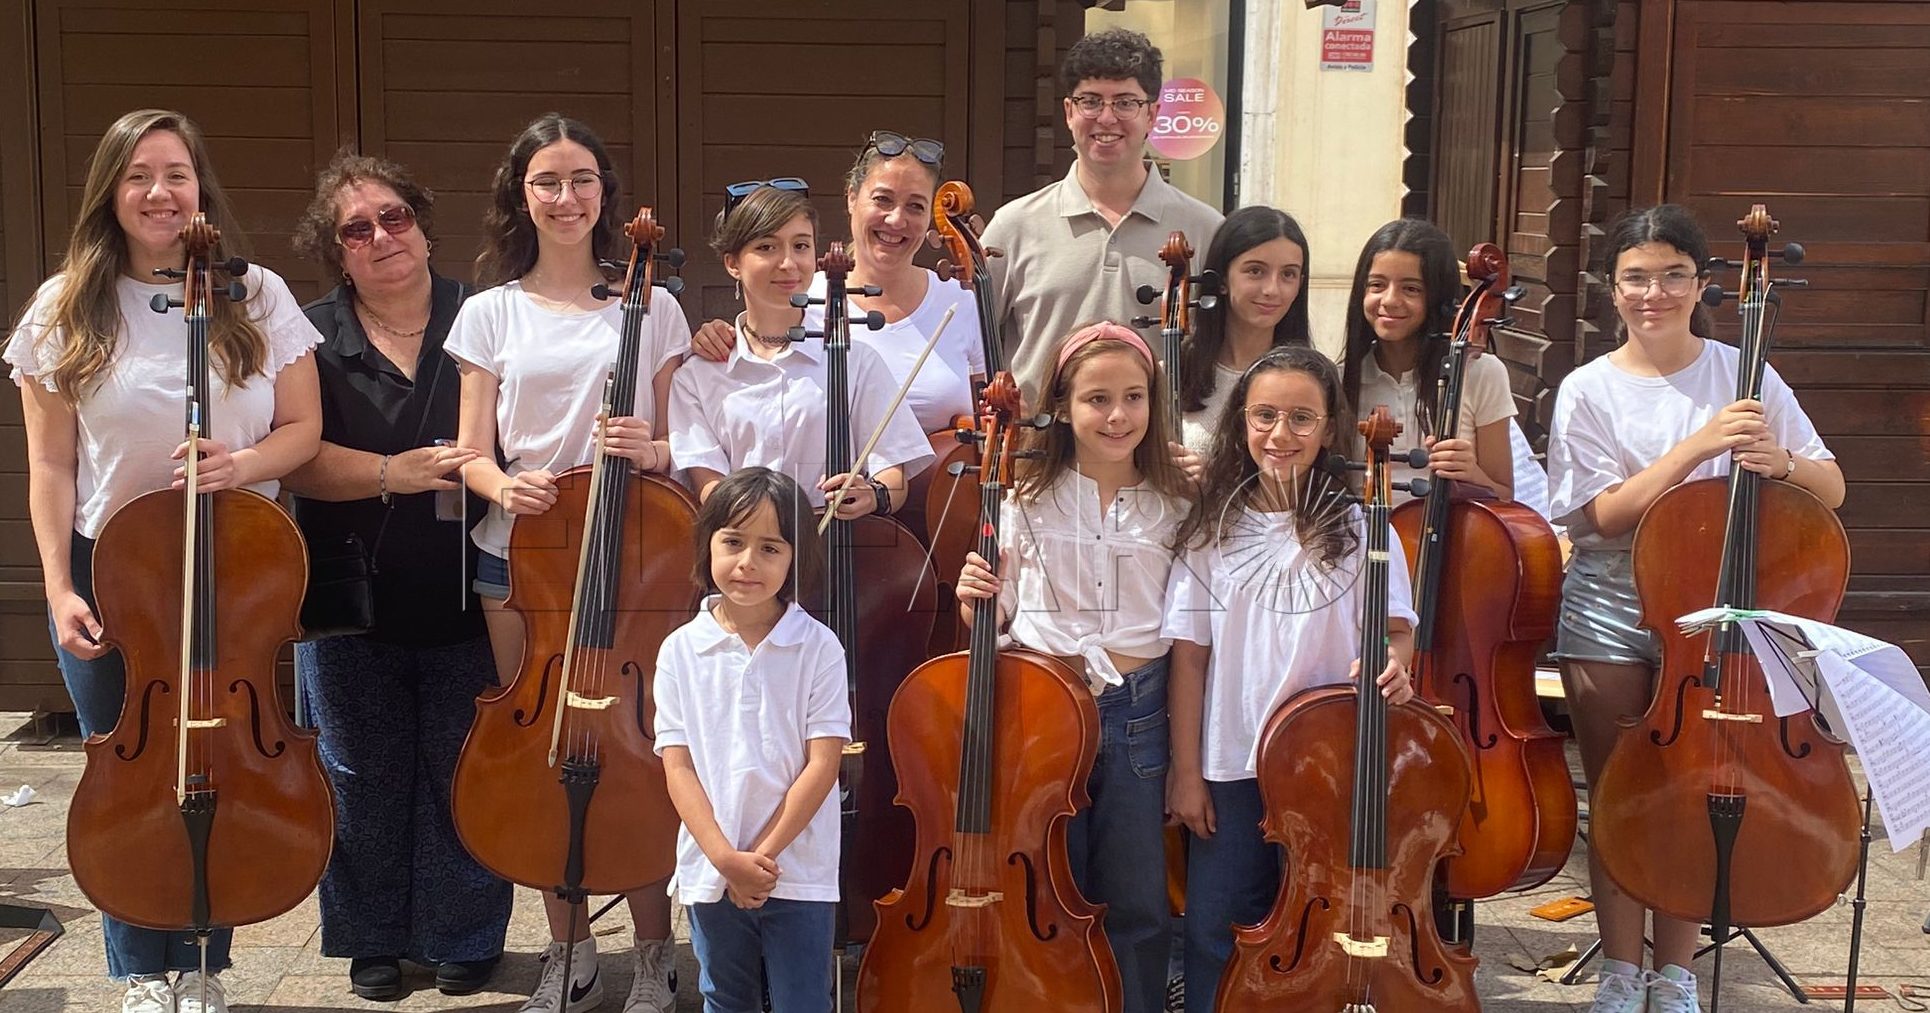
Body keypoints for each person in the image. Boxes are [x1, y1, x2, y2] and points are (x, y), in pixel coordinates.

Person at [6, 108, 323, 1013]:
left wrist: (242, 464)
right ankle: (141, 970)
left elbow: (303, 428)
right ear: (110, 191)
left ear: (200, 187)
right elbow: (51, 465)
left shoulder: (254, 293)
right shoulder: (66, 303)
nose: (159, 192)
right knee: (130, 775)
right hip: (113, 570)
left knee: (222, 758)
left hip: (234, 569)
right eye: (138, 175)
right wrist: (57, 587)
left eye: (176, 173)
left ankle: (204, 962)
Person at [1545, 204, 1844, 1013]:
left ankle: (1674, 973)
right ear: (1613, 289)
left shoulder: (1743, 372)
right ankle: (1619, 970)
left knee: (1688, 786)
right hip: (1611, 602)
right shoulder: (1588, 388)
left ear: (1701, 283)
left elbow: (1831, 485)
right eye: (1637, 277)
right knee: (1620, 794)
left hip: (1715, 612)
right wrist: (1697, 448)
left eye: (1673, 274)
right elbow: (1600, 516)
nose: (1655, 292)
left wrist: (1781, 460)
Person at [445, 113, 689, 1013]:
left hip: (633, 559)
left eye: (582, 179)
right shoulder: (489, 312)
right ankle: (569, 948)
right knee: (545, 752)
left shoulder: (652, 304)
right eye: (547, 181)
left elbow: (684, 441)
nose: (566, 197)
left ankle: (656, 950)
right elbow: (470, 453)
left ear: (604, 193)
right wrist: (502, 485)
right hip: (523, 557)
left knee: (641, 751)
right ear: (522, 194)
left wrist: (651, 450)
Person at [281, 149, 509, 1001]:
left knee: (465, 766)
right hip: (349, 594)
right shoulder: (307, 335)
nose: (381, 237)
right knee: (358, 773)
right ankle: (371, 937)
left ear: (421, 223)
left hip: (468, 587)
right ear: (336, 252)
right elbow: (293, 454)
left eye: (394, 217)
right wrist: (392, 473)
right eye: (356, 229)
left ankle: (465, 935)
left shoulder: (482, 315)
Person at [1162, 344, 1418, 1012]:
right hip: (1232, 762)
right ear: (1241, 423)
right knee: (1218, 930)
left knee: (1321, 929)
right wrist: (1186, 772)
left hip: (1329, 766)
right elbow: (1190, 658)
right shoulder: (1210, 530)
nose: (1281, 433)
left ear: (1330, 429)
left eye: (1301, 418)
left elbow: (1396, 630)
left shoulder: (1362, 526)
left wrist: (1395, 661)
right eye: (1265, 415)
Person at [953, 321, 1188, 1013]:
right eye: (1097, 399)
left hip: (1141, 711)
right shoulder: (1024, 497)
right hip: (1046, 705)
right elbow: (996, 619)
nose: (1118, 416)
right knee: (1052, 889)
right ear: (1061, 405)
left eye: (1134, 397)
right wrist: (974, 602)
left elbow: (1190, 631)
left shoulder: (1177, 502)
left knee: (1138, 898)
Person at [654, 467, 849, 1013]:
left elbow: (823, 764)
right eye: (733, 542)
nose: (747, 562)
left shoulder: (818, 647)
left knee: (802, 1001)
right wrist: (725, 859)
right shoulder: (680, 650)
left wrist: (758, 859)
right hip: (711, 868)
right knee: (724, 997)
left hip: (797, 869)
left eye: (770, 548)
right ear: (707, 544)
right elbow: (678, 767)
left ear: (795, 559)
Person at [980, 28, 1224, 413]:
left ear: (1152, 114)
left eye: (1125, 103)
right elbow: (968, 347)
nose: (1107, 118)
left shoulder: (1205, 228)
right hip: (1038, 445)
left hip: (1156, 445)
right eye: (1091, 101)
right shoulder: (1013, 226)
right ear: (1069, 112)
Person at [689, 133, 983, 432]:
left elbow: (986, 409)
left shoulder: (960, 303)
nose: (896, 220)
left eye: (916, 206)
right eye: (883, 199)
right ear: (851, 198)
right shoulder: (800, 294)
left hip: (947, 464)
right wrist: (718, 337)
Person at [667, 182, 932, 511]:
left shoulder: (857, 360)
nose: (788, 263)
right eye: (767, 247)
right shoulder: (697, 376)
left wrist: (873, 494)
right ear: (733, 263)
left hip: (840, 538)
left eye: (801, 246)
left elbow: (894, 477)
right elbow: (710, 487)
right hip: (744, 539)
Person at [1340, 219, 1516, 504]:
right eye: (1377, 285)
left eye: (1411, 289)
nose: (1389, 300)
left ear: (1438, 298)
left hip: (1452, 533)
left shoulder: (1482, 373)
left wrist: (1473, 474)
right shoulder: (1341, 380)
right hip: (1361, 532)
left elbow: (1505, 497)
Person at [1174, 206, 1311, 455]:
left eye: (1288, 274)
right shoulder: (1170, 373)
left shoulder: (1314, 381)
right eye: (1255, 271)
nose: (1272, 289)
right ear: (1222, 279)